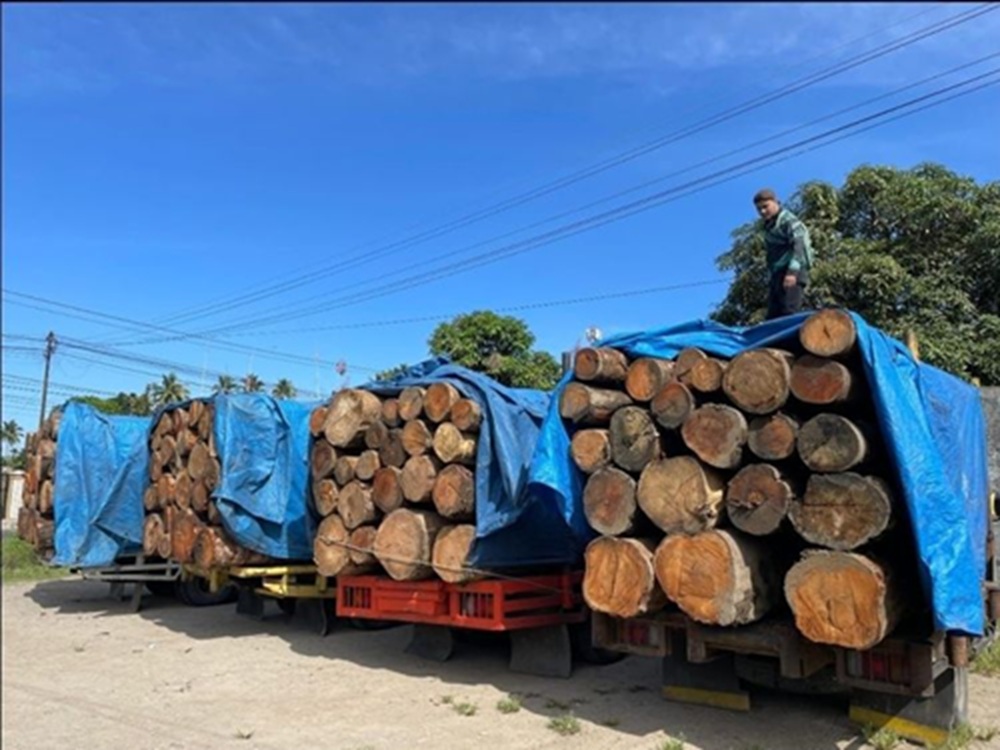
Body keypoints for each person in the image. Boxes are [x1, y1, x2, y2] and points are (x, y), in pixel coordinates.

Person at [753, 188, 814, 319]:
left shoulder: (789, 221)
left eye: (765, 206)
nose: (762, 211)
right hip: (777, 274)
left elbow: (799, 244)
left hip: (792, 271)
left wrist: (792, 273)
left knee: (788, 313)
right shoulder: (768, 227)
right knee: (772, 318)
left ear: (776, 202)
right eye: (759, 209)